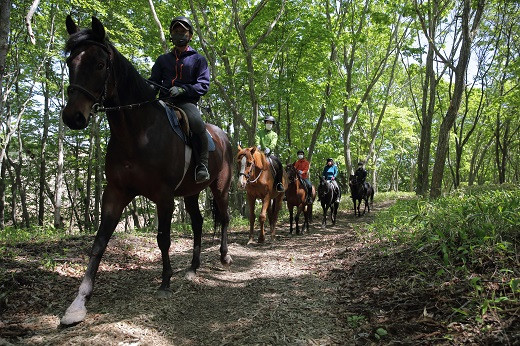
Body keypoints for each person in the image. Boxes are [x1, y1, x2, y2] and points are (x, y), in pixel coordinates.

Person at [149, 16, 210, 183]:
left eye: (182, 31)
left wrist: (184, 89)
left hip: (186, 102)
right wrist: (148, 88)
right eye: (175, 32)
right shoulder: (163, 60)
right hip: (163, 101)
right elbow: (154, 80)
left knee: (197, 123)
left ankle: (202, 165)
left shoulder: (198, 59)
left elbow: (203, 85)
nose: (179, 34)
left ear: (190, 35)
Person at [255, 116, 284, 192]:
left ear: (272, 124)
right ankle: (245, 181)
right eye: (267, 122)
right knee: (248, 161)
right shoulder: (259, 132)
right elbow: (257, 139)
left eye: (270, 123)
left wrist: (269, 148)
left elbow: (274, 143)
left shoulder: (274, 134)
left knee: (279, 164)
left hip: (269, 154)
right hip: (259, 153)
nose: (269, 124)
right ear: (265, 123)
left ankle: (279, 183)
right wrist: (258, 145)